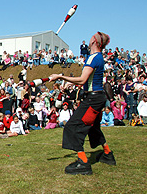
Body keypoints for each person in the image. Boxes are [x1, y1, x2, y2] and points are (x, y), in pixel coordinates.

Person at [50, 31, 116, 175]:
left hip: (93, 99)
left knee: (72, 127)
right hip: (97, 97)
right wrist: (70, 84)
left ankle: (83, 163)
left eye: (92, 36)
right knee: (93, 128)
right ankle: (108, 154)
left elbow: (82, 79)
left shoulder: (93, 58)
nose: (90, 37)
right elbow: (89, 81)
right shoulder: (98, 57)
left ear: (94, 42)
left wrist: (60, 76)